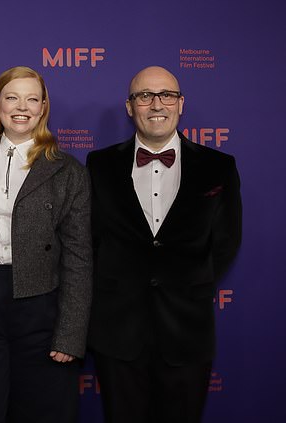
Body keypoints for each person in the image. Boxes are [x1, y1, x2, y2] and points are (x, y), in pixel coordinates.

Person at [86, 66, 242, 423]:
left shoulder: (219, 167)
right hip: (118, 334)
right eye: (144, 96)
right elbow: (89, 240)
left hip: (187, 333)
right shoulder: (99, 165)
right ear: (130, 107)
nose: (156, 104)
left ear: (180, 103)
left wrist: (187, 284)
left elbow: (227, 242)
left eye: (166, 95)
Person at [0, 66, 93, 423]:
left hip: (40, 306)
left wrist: (70, 335)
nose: (21, 106)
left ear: (43, 107)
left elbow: (78, 257)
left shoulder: (67, 170)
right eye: (12, 97)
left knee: (41, 413)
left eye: (32, 98)